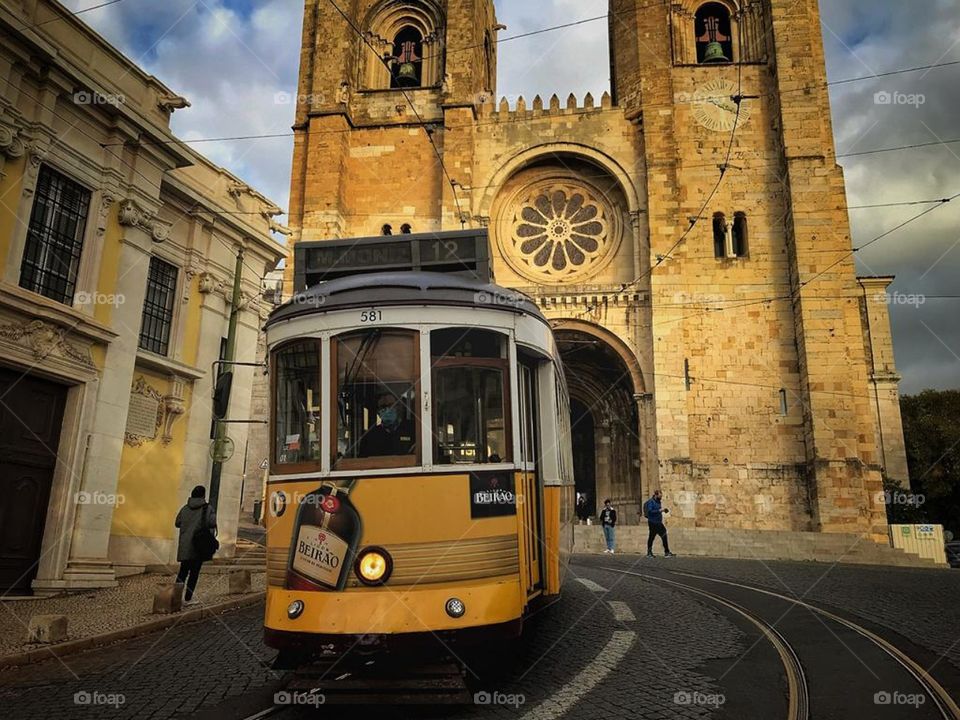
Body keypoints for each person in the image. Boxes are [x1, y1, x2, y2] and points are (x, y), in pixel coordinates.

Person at [174, 485, 217, 605]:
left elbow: (177, 523)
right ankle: (188, 598)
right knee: (194, 573)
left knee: (182, 572)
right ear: (203, 495)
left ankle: (175, 598)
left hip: (185, 545)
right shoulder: (207, 508)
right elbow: (212, 522)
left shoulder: (185, 508)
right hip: (199, 545)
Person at [358, 392, 415, 457]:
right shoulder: (370, 436)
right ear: (378, 411)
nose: (387, 410)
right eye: (383, 407)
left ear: (399, 407)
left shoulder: (412, 429)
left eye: (390, 405)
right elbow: (362, 459)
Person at [643, 489, 675, 557]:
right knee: (656, 536)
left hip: (658, 522)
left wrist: (663, 511)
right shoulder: (651, 502)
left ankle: (651, 552)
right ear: (656, 495)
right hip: (653, 522)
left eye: (661, 496)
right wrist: (659, 510)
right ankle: (665, 552)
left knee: (654, 536)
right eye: (660, 496)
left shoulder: (658, 501)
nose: (661, 497)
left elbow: (658, 510)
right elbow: (650, 511)